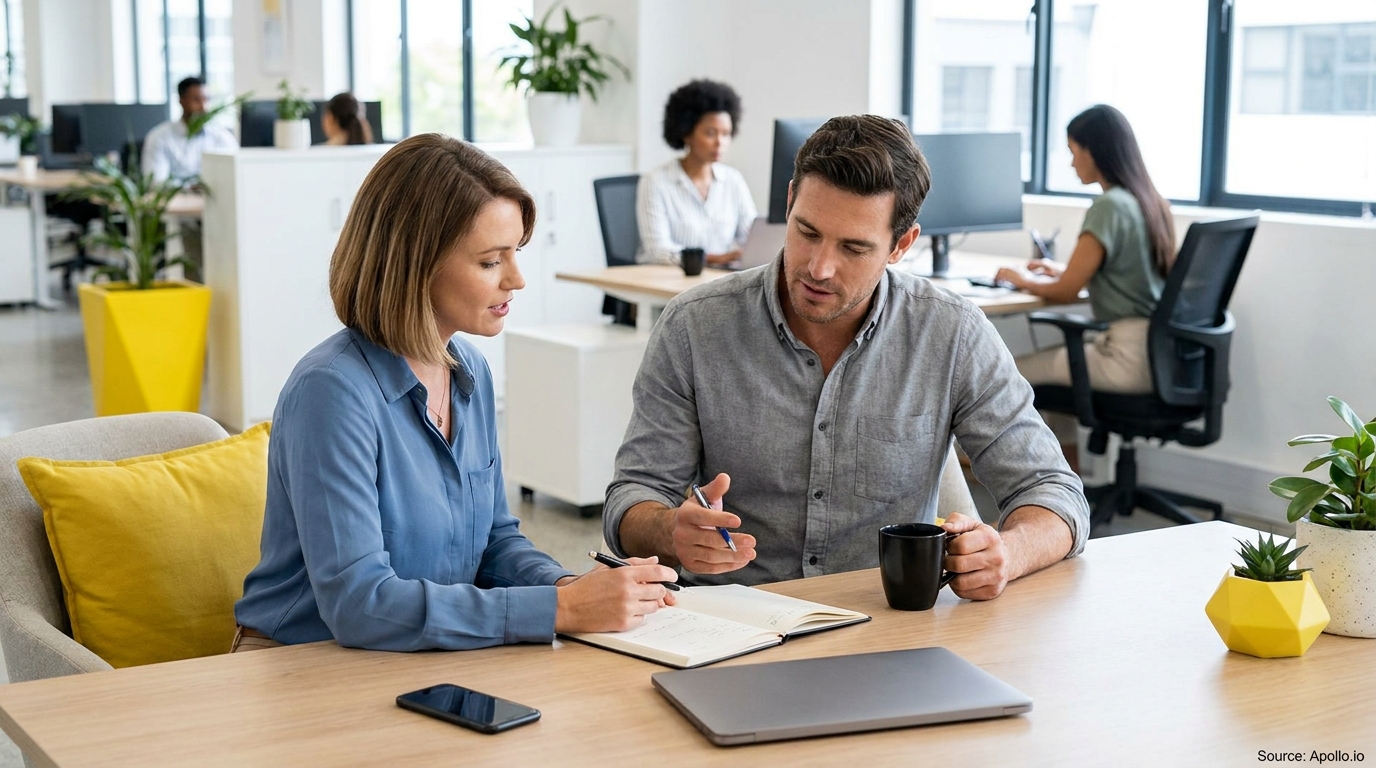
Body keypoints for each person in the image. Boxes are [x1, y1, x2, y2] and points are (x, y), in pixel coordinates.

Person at [604, 115, 1090, 600]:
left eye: (854, 248)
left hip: (886, 627)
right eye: (807, 232)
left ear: (901, 245)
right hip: (732, 625)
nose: (819, 267)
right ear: (790, 200)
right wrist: (670, 531)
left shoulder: (951, 332)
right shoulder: (695, 326)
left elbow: (1054, 491)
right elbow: (630, 500)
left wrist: (1008, 552)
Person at [233, 134, 677, 652]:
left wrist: (570, 587)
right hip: (305, 662)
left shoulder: (470, 371)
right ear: (414, 263)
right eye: (491, 261)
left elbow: (494, 542)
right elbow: (360, 604)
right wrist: (562, 609)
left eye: (516, 254)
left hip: (418, 654)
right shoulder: (331, 392)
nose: (517, 279)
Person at [994, 104, 1175, 401]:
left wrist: (1020, 279)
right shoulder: (1151, 202)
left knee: (1000, 376)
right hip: (1158, 355)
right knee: (1059, 374)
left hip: (1124, 358)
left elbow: (1066, 292)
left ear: (1093, 152)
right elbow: (1130, 272)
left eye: (1073, 151)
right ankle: (1061, 450)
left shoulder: (1109, 206)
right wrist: (1064, 271)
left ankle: (962, 451)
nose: (1072, 163)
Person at [636, 79, 756, 267]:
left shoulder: (733, 180)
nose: (720, 142)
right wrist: (713, 259)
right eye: (710, 133)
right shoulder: (656, 182)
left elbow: (752, 237)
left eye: (726, 134)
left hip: (719, 281)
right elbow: (657, 250)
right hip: (670, 281)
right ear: (686, 133)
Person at [141, 76, 238, 182]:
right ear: (181, 101)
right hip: (178, 197)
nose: (203, 107)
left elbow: (237, 172)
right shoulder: (160, 137)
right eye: (197, 100)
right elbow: (155, 182)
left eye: (206, 100)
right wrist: (188, 188)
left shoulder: (221, 136)